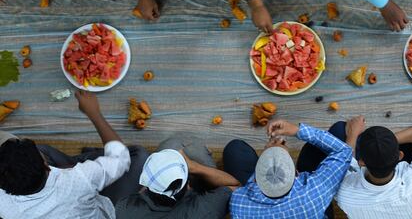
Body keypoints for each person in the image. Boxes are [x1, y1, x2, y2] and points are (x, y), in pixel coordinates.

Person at [0, 90, 148, 219]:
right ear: (46, 166)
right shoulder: (79, 179)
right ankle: (88, 159)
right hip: (103, 205)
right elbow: (120, 158)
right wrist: (94, 113)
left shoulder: (4, 205)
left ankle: (85, 160)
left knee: (39, 149)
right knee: (138, 154)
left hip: (72, 183)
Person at [224, 119, 352, 219]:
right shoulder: (314, 193)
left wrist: (268, 155)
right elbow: (344, 151)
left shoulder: (238, 203)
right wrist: (296, 130)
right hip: (311, 208)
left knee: (235, 149)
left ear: (255, 179)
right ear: (296, 173)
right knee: (340, 129)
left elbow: (242, 189)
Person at [334, 118, 412, 218]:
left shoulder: (343, 192)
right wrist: (387, 144)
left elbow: (346, 165)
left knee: (339, 129)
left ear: (362, 162)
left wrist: (353, 135)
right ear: (400, 155)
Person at [115, 137, 241, 219]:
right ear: (188, 186)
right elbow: (236, 186)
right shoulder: (204, 208)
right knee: (191, 149)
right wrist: (193, 166)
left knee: (169, 145)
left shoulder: (123, 208)